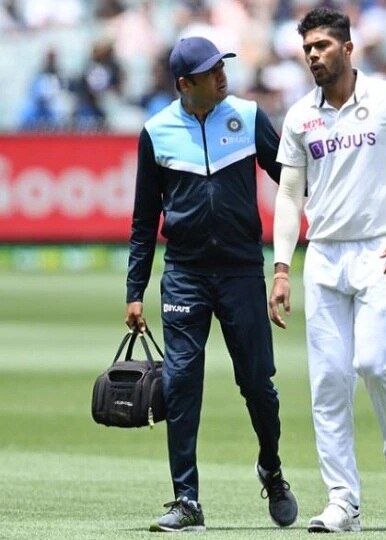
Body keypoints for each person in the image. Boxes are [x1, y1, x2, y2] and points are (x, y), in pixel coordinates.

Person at [268, 7, 386, 533]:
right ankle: (343, 499)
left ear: (347, 48)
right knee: (329, 381)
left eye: (321, 46)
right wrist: (280, 268)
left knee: (374, 363)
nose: (313, 55)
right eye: (307, 48)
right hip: (323, 255)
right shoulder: (300, 116)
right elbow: (290, 196)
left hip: (381, 249)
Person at [124, 36, 298, 532]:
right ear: (185, 84)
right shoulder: (156, 132)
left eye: (222, 66)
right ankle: (187, 500)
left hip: (243, 270)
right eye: (209, 71)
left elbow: (288, 181)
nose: (221, 75)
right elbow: (144, 220)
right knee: (180, 386)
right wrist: (134, 290)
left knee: (258, 385)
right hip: (184, 275)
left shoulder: (247, 115)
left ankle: (273, 469)